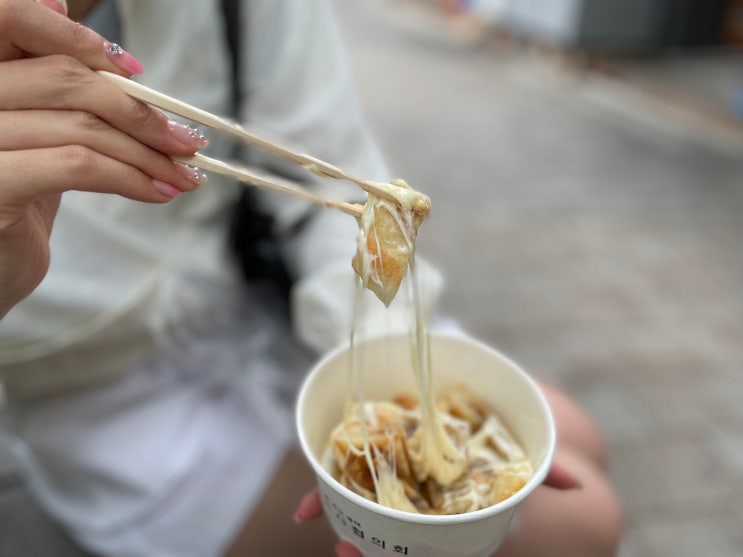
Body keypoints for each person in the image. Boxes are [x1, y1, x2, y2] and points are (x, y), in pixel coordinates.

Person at [0, 1, 621, 556]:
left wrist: (393, 395)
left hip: (262, 310)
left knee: (570, 432)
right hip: (107, 400)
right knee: (583, 523)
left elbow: (327, 178)